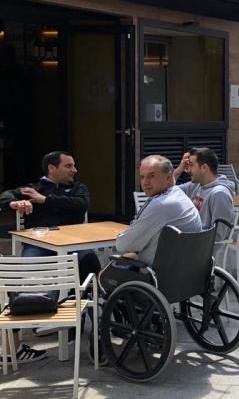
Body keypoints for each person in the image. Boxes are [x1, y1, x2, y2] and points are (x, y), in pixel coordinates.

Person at [0, 151, 96, 364]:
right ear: (52, 168)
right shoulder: (32, 189)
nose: (75, 170)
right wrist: (14, 204)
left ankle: (98, 325)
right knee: (19, 279)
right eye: (69, 166)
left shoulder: (78, 188)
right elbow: (5, 196)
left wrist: (45, 200)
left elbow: (81, 205)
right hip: (41, 246)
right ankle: (15, 344)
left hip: (73, 245)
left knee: (91, 264)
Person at [115, 155, 203, 265]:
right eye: (142, 177)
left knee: (103, 270)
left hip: (157, 275)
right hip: (187, 270)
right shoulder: (178, 194)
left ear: (168, 178)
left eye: (151, 176)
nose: (145, 182)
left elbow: (123, 245)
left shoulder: (160, 204)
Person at [174, 147, 235, 238]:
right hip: (192, 241)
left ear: (204, 168)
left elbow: (219, 235)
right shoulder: (195, 185)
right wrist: (179, 169)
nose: (188, 170)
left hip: (203, 248)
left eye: (191, 165)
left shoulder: (219, 194)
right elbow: (167, 191)